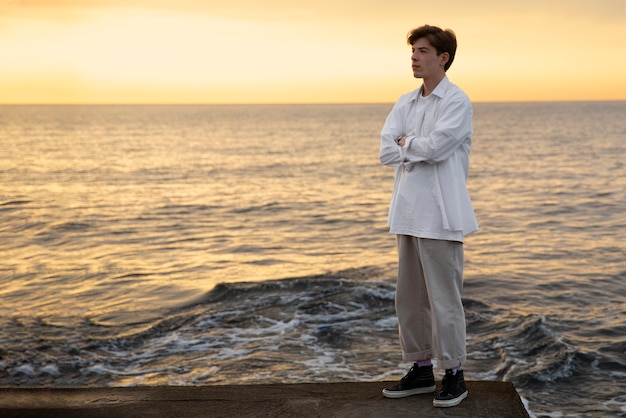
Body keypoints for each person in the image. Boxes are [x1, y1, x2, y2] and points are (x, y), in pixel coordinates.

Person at [379, 24, 478, 408]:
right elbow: (385, 151)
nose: (414, 57)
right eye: (413, 51)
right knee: (409, 299)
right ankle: (421, 369)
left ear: (443, 57)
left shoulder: (457, 101)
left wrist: (406, 143)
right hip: (406, 213)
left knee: (444, 300)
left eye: (422, 51)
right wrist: (408, 145)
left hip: (441, 216)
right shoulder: (405, 102)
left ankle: (454, 373)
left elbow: (437, 148)